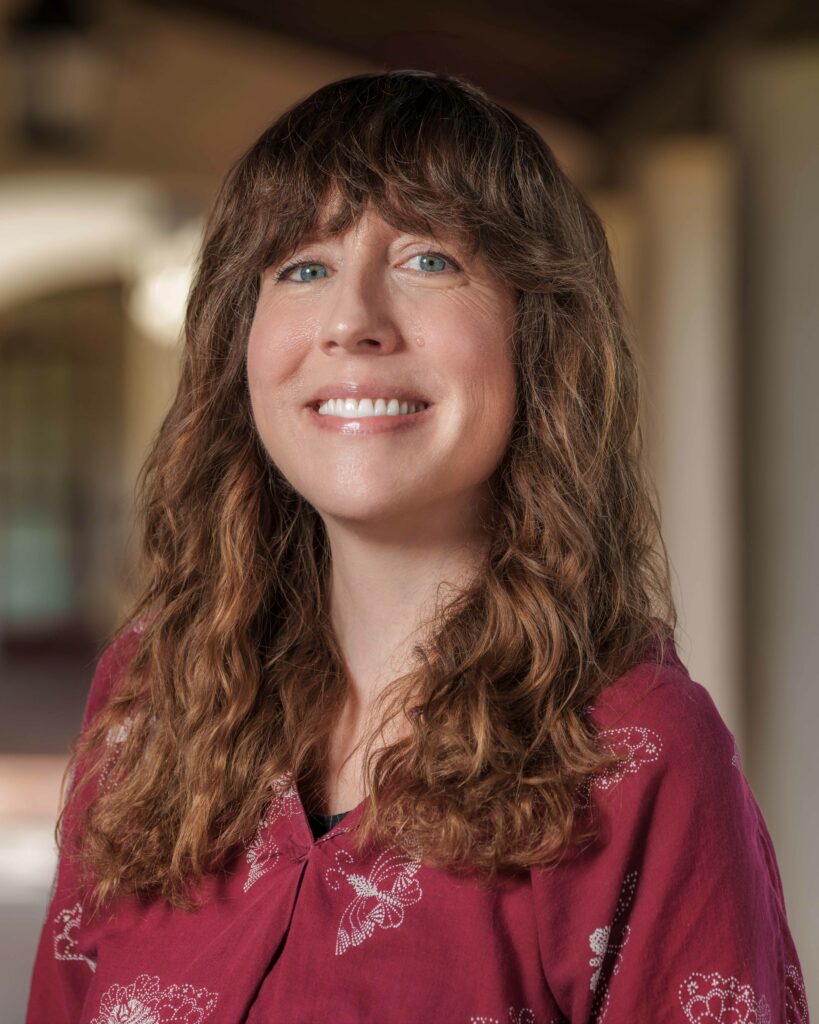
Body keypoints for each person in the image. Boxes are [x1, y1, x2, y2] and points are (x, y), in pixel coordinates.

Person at [26, 70, 809, 1024]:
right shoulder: (150, 695)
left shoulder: (635, 751)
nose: (353, 321)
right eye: (302, 268)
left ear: (536, 333)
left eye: (430, 260)